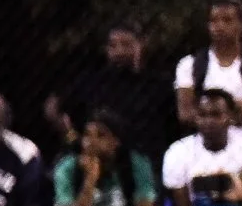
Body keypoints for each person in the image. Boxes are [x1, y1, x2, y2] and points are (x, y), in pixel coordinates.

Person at [60, 21, 172, 157]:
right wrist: (74, 141)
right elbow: (60, 111)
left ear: (140, 45)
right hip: (100, 159)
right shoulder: (91, 82)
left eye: (126, 44)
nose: (119, 51)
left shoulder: (159, 84)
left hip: (148, 160)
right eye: (113, 46)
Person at [165, 86, 242, 206]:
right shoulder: (178, 152)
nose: (208, 121)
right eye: (203, 115)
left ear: (230, 116)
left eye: (216, 115)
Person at [176, 0, 242, 130]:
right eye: (214, 21)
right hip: (207, 143)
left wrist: (209, 110)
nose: (219, 26)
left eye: (227, 20)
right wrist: (238, 107)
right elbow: (186, 114)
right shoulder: (189, 64)